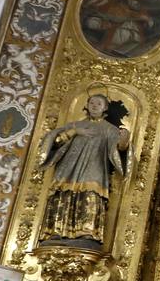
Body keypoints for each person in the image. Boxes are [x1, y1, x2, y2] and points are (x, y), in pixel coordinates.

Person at [36, 93, 130, 247]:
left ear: (105, 108)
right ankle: (57, 231)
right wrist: (74, 132)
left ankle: (87, 232)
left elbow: (118, 149)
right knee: (63, 195)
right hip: (68, 170)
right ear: (87, 105)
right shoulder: (74, 125)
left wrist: (124, 140)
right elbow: (55, 142)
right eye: (92, 103)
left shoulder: (109, 129)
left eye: (99, 104)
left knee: (90, 196)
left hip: (94, 169)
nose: (94, 106)